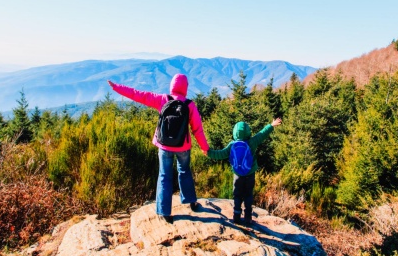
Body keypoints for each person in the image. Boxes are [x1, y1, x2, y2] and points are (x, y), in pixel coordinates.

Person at [107, 74, 209, 224]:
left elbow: (138, 95)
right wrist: (204, 148)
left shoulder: (163, 99)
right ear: (185, 87)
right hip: (183, 146)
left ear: (172, 85)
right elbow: (197, 130)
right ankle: (191, 202)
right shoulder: (189, 105)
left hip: (164, 145)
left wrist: (117, 87)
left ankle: (164, 212)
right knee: (185, 171)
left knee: (164, 176)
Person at [207, 118, 282, 226]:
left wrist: (208, 152)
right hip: (250, 174)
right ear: (248, 132)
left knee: (237, 195)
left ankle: (236, 217)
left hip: (237, 175)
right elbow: (262, 134)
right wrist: (272, 125)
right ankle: (248, 218)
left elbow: (220, 154)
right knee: (248, 195)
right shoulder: (252, 142)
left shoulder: (232, 145)